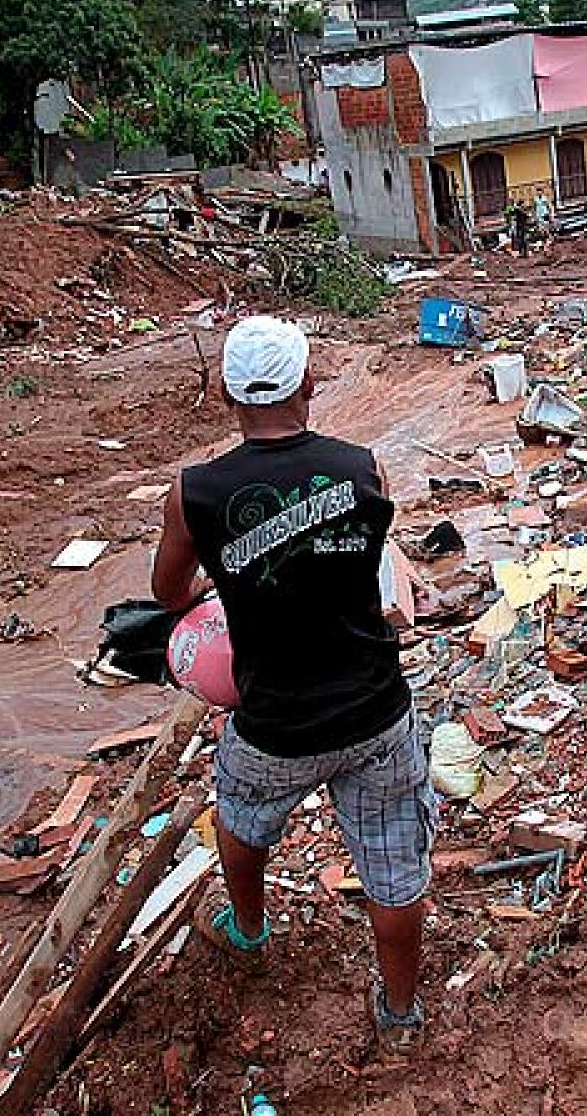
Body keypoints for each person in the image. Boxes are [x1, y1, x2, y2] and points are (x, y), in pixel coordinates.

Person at [152, 315, 435, 1053]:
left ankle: (248, 927)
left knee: (241, 822)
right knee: (394, 863)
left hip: (273, 720)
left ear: (226, 394)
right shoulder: (363, 467)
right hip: (374, 711)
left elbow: (167, 592)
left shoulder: (193, 492)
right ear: (309, 385)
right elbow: (363, 564)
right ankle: (401, 1014)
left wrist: (227, 590)